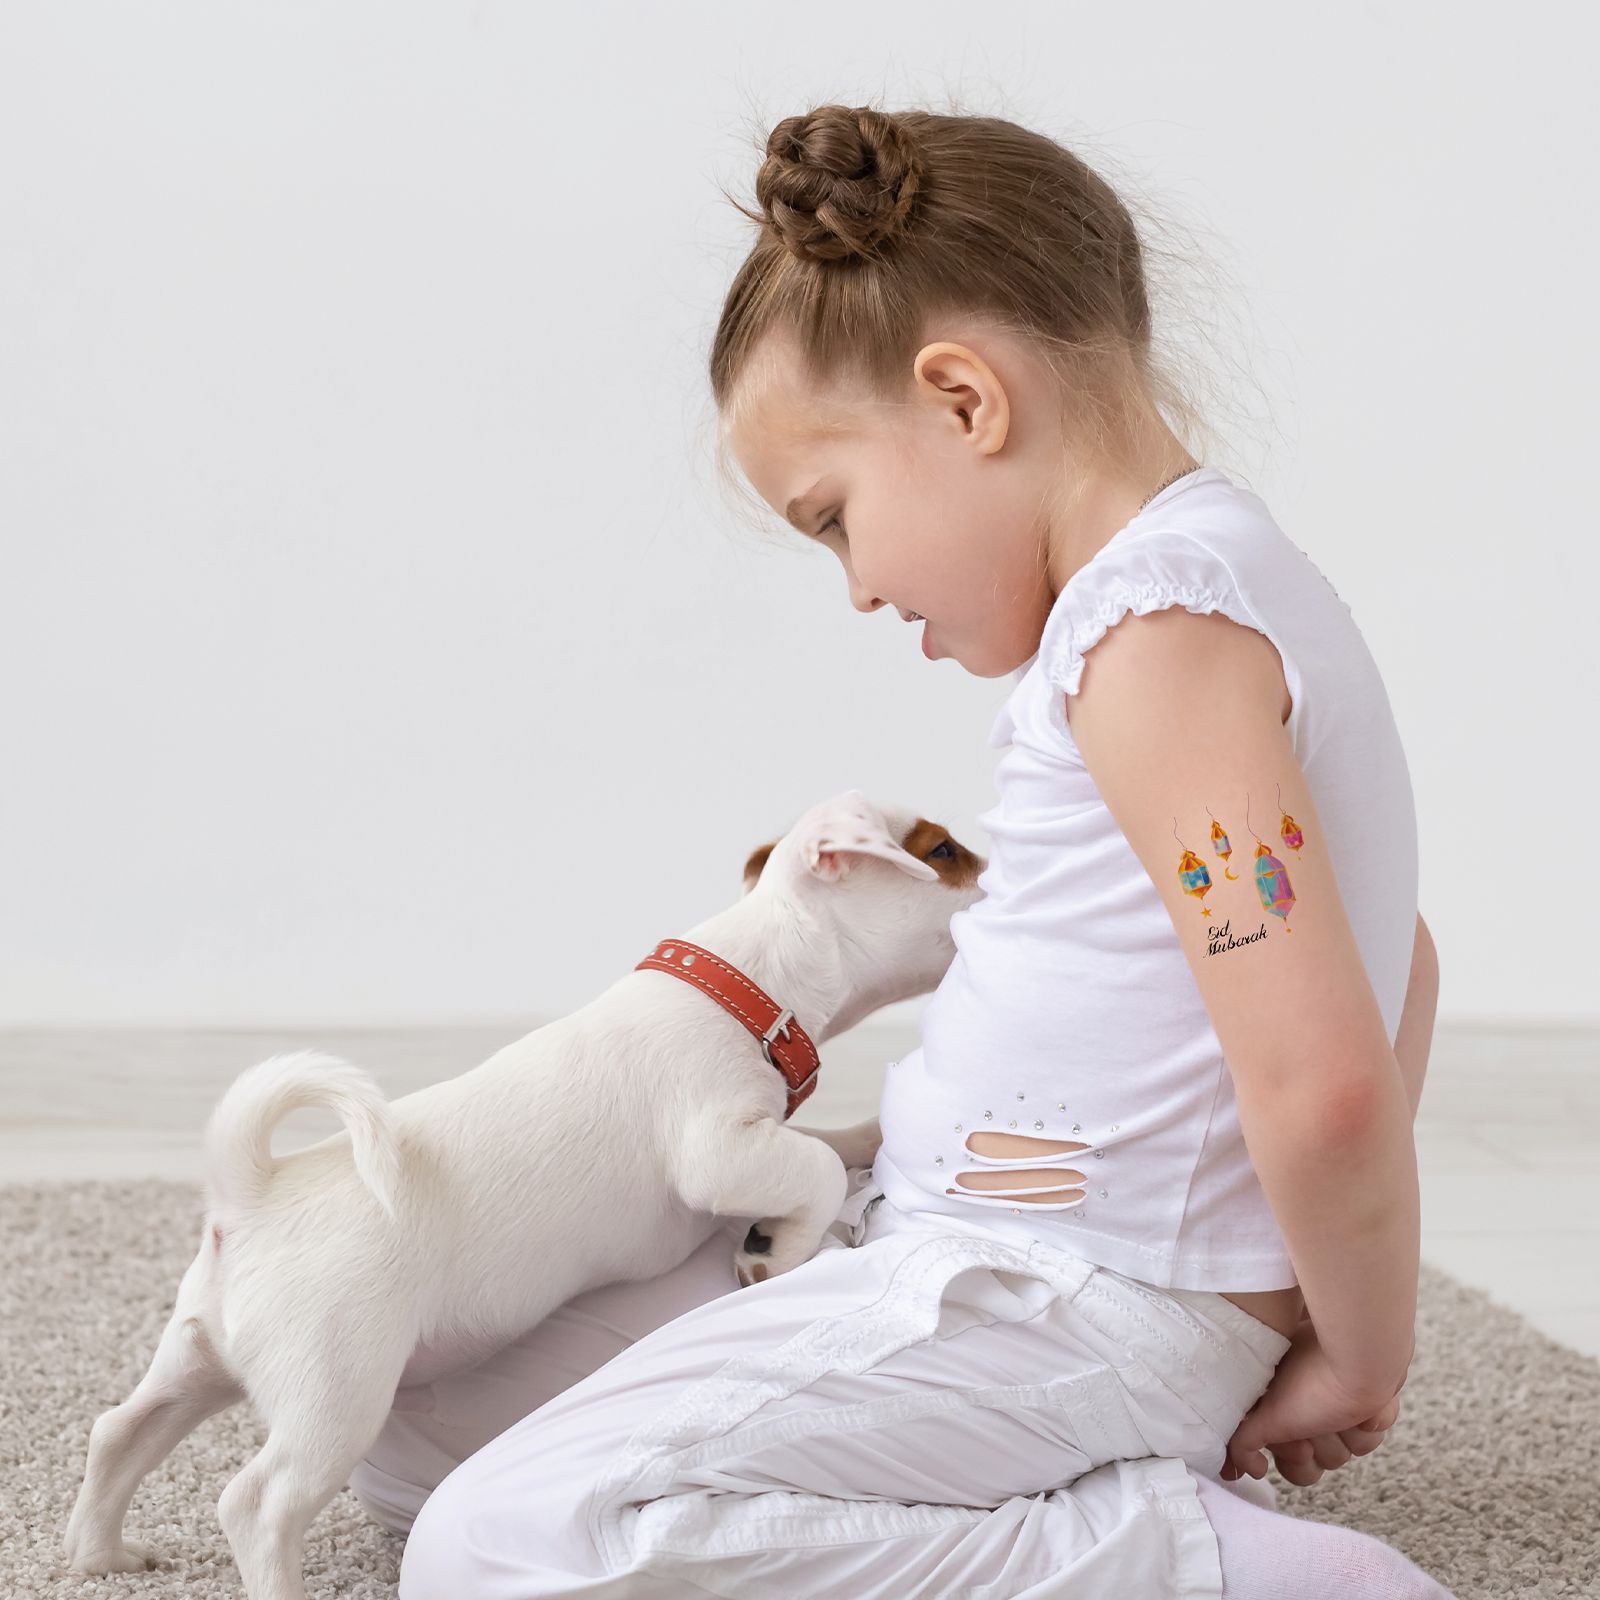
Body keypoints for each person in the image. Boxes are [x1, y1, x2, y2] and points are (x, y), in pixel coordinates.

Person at [377, 103, 1455, 1598]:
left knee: (493, 1543)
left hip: (1069, 1299)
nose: (859, 590)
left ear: (964, 402)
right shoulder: (1182, 604)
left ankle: (1182, 1561)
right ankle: (1034, 1485)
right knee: (401, 1414)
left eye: (834, 520)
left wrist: (1353, 1347)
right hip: (953, 1241)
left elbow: (1325, 1080)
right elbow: (1399, 957)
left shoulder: (1159, 638)